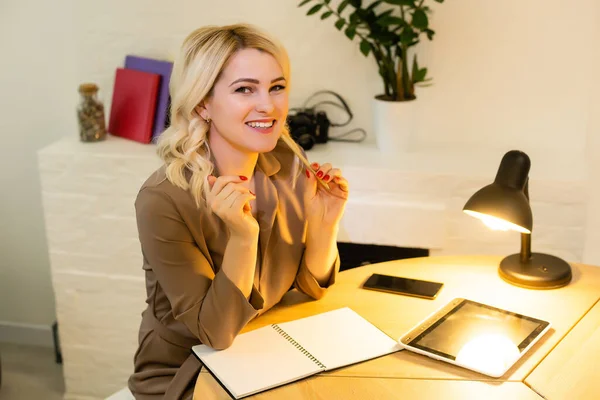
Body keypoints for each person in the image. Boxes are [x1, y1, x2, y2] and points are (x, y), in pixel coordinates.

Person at [127, 23, 349, 399]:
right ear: (203, 103)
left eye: (276, 87)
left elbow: (311, 288)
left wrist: (325, 225)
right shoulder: (163, 200)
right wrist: (243, 238)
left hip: (267, 352)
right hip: (187, 375)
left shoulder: (287, 161)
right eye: (245, 89)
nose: (269, 105)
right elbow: (217, 332)